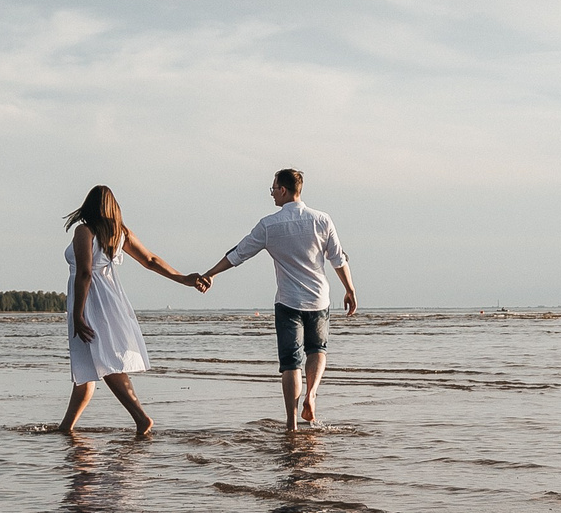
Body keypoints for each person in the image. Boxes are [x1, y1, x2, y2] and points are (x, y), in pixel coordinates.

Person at [196, 168, 357, 429]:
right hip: (319, 299)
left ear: (283, 190)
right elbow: (338, 258)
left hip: (288, 302)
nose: (272, 194)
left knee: (291, 363)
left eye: (273, 189)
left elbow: (239, 253)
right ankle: (312, 394)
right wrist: (349, 290)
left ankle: (292, 423)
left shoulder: (269, 225)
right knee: (317, 349)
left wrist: (210, 274)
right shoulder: (322, 220)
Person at [59, 184, 209, 437]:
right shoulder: (120, 233)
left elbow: (84, 273)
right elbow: (150, 260)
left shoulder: (84, 231)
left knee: (106, 362)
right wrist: (183, 279)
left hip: (91, 302)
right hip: (110, 299)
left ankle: (141, 418)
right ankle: (66, 427)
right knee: (86, 367)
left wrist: (77, 312)